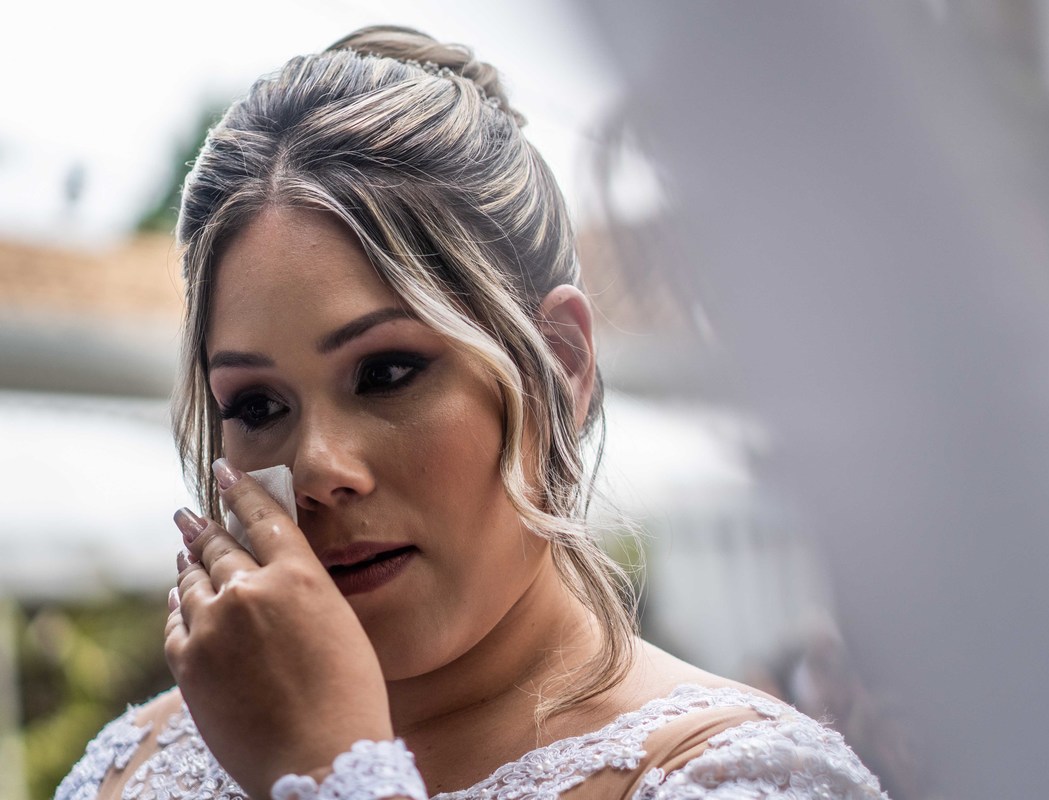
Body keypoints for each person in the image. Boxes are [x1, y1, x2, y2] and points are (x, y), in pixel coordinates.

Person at [54, 26, 887, 800]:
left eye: (386, 372)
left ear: (560, 363)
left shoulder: (739, 775)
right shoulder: (132, 768)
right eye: (258, 404)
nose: (318, 470)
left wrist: (331, 773)